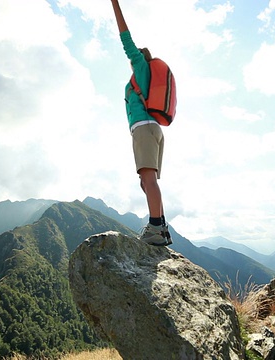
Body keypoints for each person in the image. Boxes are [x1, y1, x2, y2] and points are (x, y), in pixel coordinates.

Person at [110, 0, 171, 246]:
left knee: (148, 180)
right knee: (147, 182)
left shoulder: (140, 67)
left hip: (144, 128)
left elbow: (126, 41)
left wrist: (115, 5)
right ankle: (162, 226)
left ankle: (156, 227)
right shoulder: (144, 78)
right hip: (153, 129)